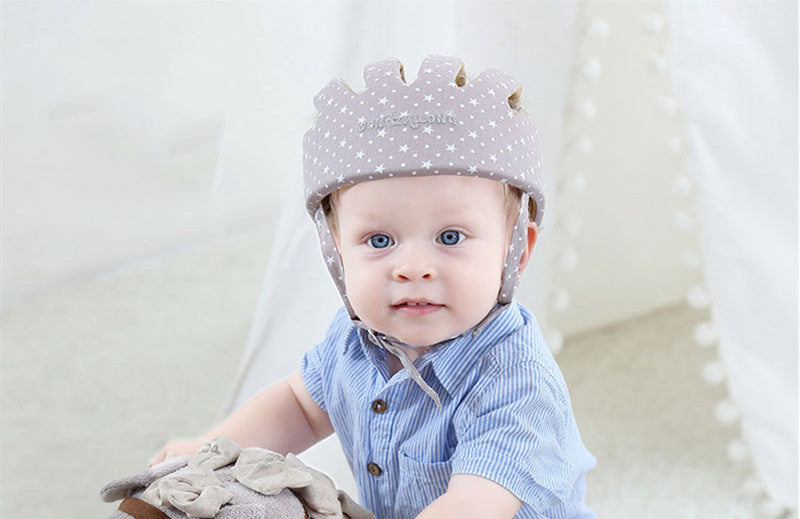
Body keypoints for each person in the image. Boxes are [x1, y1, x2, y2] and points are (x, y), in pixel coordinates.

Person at [151, 55, 596, 518]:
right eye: (379, 240)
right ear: (336, 252)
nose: (413, 268)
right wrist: (209, 451)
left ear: (515, 250)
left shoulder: (515, 381)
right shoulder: (354, 341)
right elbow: (300, 406)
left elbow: (475, 503)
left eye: (450, 237)